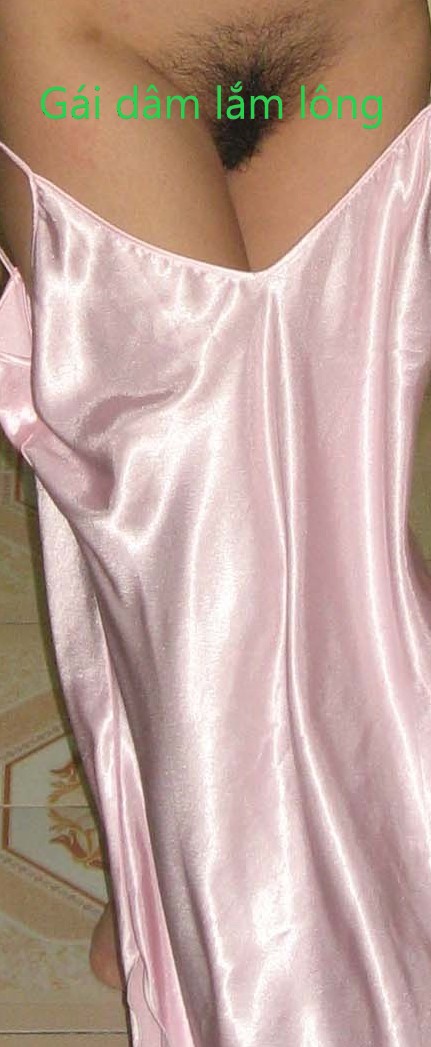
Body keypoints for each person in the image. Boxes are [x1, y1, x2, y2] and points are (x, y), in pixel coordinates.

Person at [0, 0, 431, 1043]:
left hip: (357, 32)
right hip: (92, 42)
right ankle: (255, 973)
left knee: (331, 527)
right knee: (196, 556)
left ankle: (186, 897)